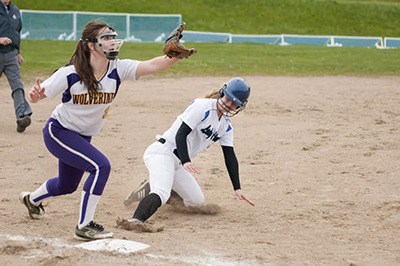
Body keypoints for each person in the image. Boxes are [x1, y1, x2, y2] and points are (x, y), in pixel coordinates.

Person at [19, 20, 194, 241]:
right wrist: (35, 95)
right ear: (91, 45)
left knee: (67, 185)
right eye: (106, 38)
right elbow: (39, 94)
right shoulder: (71, 73)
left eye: (113, 37)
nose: (112, 42)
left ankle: (31, 200)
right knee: (101, 166)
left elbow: (153, 65)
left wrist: (174, 57)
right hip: (59, 132)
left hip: (83, 136)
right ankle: (85, 225)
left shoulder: (117, 69)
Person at [118, 77, 255, 233]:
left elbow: (230, 155)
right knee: (161, 193)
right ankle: (136, 219)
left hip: (178, 162)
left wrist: (237, 188)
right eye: (228, 98)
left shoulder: (226, 126)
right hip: (163, 152)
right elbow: (181, 134)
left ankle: (149, 188)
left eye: (234, 103)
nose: (229, 104)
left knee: (196, 201)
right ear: (222, 93)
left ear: (239, 106)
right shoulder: (202, 107)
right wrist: (186, 160)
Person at [0, 0, 32, 132]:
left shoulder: (15, 11)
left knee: (17, 85)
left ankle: (21, 116)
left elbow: (16, 32)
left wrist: (18, 52)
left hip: (11, 54)